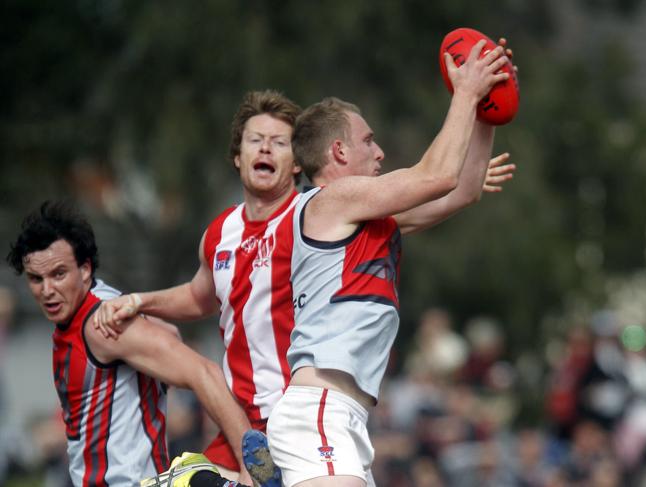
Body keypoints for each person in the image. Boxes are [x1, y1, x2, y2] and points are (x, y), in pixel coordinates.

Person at [265, 39, 514, 486]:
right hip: (318, 409)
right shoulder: (330, 200)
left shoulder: (371, 218)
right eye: (368, 140)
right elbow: (436, 175)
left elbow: (463, 188)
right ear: (338, 152)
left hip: (346, 416)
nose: (379, 152)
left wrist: (485, 109)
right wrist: (465, 93)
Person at [94, 90, 302, 485]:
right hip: (237, 422)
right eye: (255, 140)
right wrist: (138, 301)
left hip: (297, 419)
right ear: (238, 157)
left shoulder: (310, 218)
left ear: (296, 163)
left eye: (279, 143)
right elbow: (198, 296)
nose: (266, 149)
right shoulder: (220, 231)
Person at [6, 201, 253, 487]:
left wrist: (250, 467)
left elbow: (204, 372)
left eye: (59, 274)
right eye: (36, 279)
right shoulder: (101, 309)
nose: (47, 290)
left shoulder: (102, 325)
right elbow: (170, 334)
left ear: (85, 269)